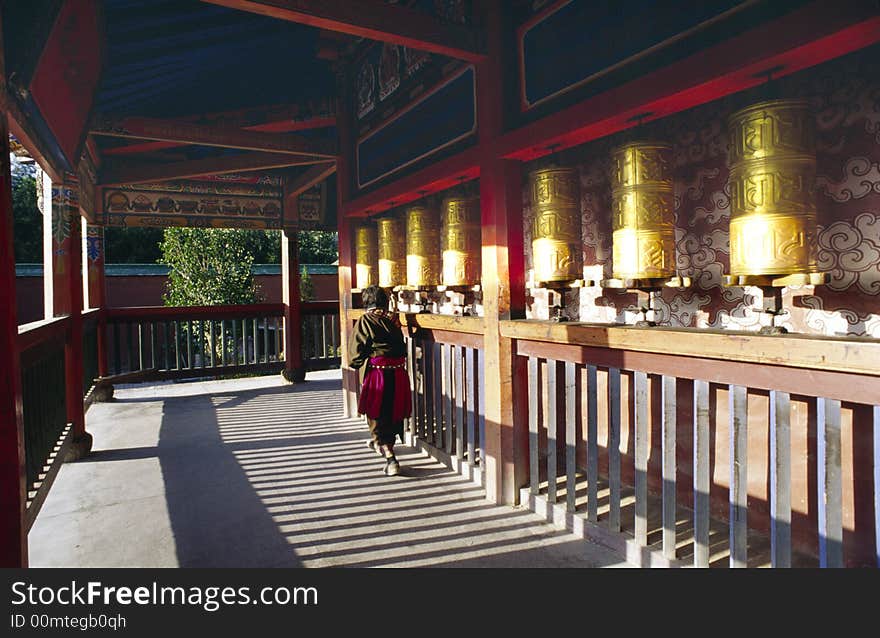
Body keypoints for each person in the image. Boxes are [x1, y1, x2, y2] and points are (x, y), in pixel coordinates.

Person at [349, 285, 412, 476]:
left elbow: (354, 357)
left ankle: (390, 459)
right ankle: (381, 445)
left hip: (379, 374)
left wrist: (365, 359)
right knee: (393, 414)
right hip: (399, 373)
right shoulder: (393, 319)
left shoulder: (366, 320)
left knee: (377, 416)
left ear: (366, 302)